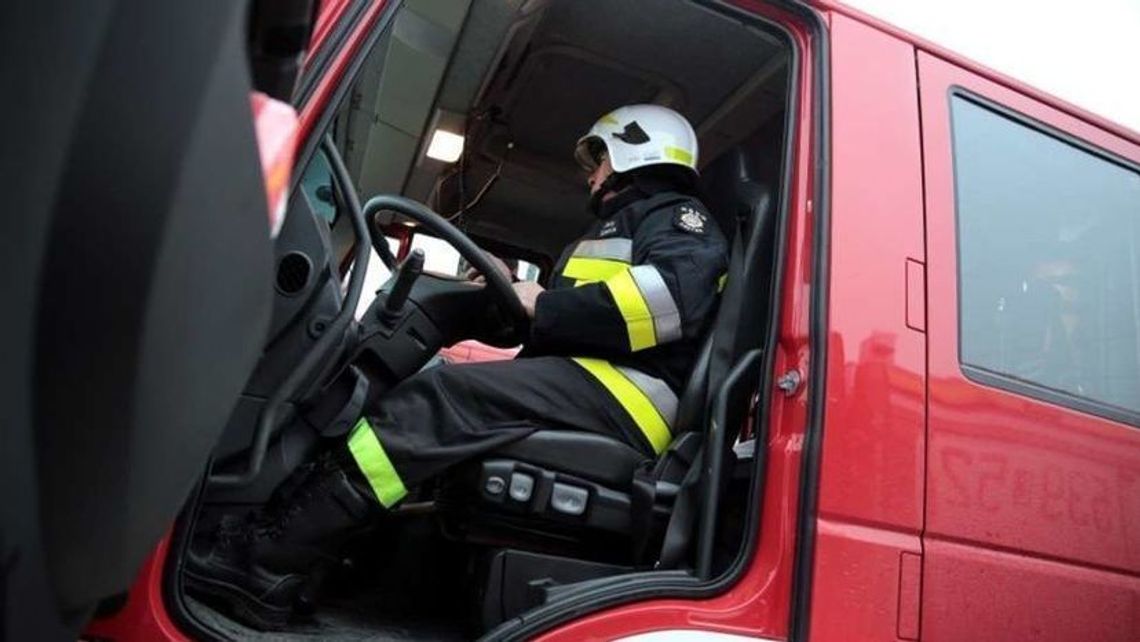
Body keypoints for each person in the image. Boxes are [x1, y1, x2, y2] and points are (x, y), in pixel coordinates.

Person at [185, 104, 729, 629]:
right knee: (434, 390)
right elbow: (565, 314)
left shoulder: (678, 216)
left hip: (634, 395)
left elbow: (673, 301)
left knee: (437, 399)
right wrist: (507, 290)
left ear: (639, 149)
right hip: (599, 379)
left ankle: (267, 563)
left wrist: (542, 300)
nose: (592, 174)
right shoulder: (618, 227)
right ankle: (315, 556)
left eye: (601, 157)